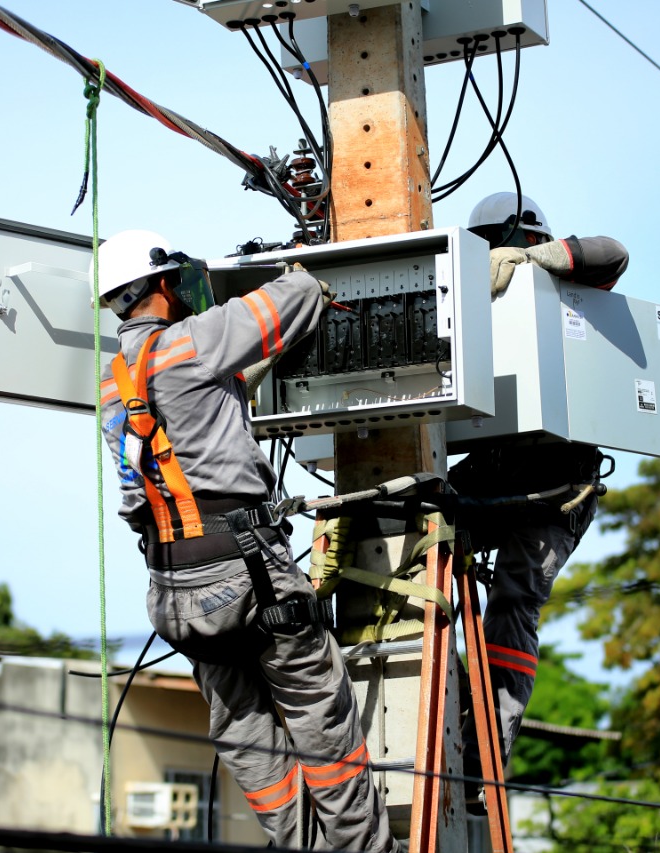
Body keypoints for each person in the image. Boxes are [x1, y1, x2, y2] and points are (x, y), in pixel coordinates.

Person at [95, 230, 399, 852]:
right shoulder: (195, 341)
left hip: (172, 590)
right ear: (160, 284)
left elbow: (175, 430)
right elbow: (300, 292)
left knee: (244, 734)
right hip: (246, 568)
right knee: (322, 719)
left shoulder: (111, 381)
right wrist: (300, 259)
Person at [449, 192, 629, 799]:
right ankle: (433, 699)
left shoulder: (568, 291)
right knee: (413, 518)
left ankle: (486, 752)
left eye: (502, 247)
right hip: (493, 471)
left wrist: (537, 262)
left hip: (556, 487)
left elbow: (612, 252)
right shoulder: (473, 300)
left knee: (514, 598)